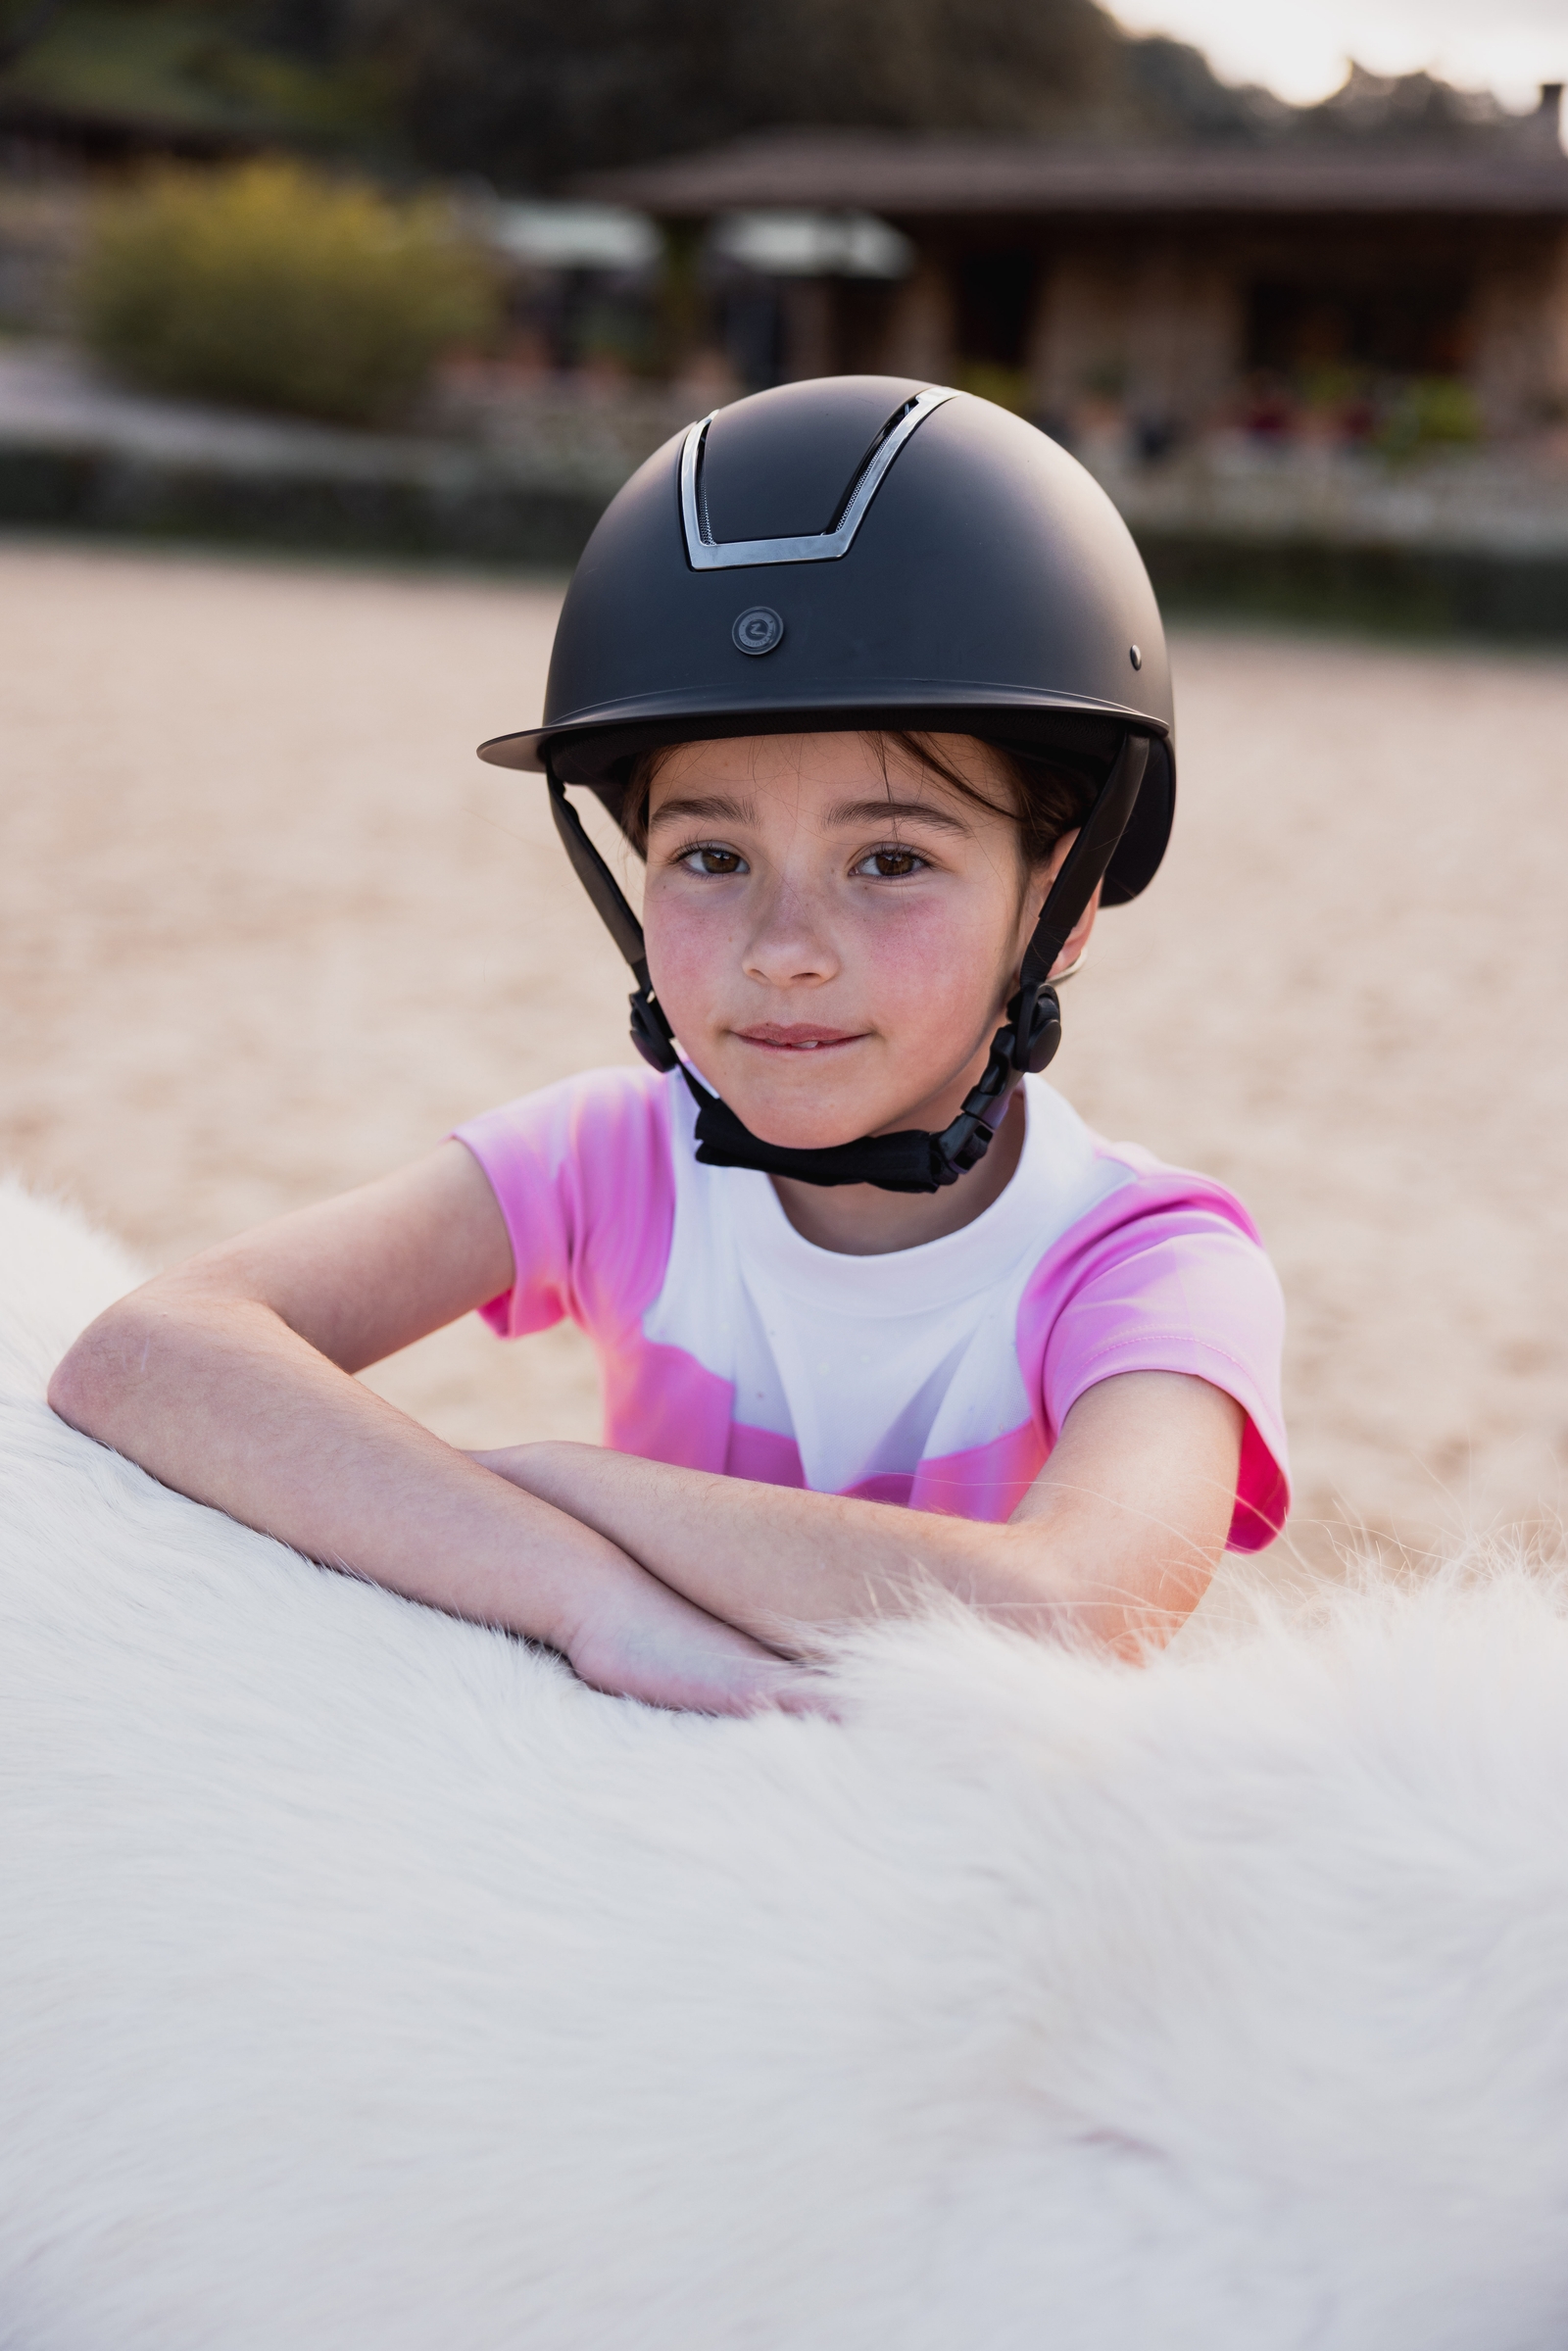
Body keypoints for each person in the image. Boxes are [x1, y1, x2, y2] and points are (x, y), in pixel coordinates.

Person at [50, 376, 1289, 1715]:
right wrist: (594, 1596)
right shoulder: (609, 1158)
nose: (784, 947)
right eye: (709, 855)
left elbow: (1068, 1617)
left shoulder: (1153, 1267)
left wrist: (562, 1486)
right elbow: (148, 1355)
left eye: (889, 858)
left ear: (1062, 906)